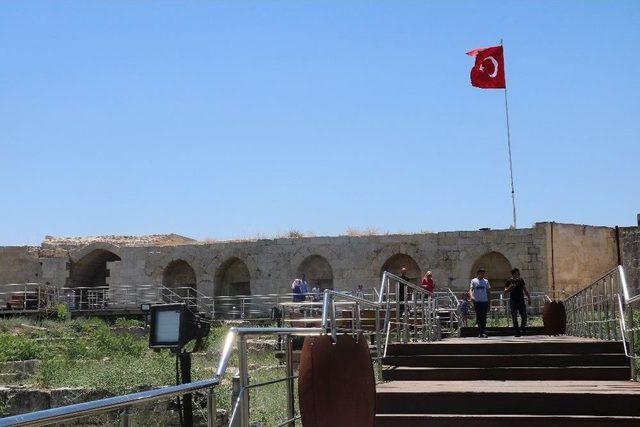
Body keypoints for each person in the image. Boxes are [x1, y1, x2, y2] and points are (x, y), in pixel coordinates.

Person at [504, 268, 531, 336]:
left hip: (521, 300)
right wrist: (510, 287)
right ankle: (517, 331)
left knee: (524, 316)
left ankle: (522, 327)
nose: (518, 275)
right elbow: (505, 291)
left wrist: (529, 298)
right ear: (513, 274)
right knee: (514, 316)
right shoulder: (509, 281)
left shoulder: (521, 280)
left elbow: (525, 289)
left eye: (519, 274)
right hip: (513, 301)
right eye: (517, 273)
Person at [469, 268, 491, 338]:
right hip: (477, 301)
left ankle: (483, 332)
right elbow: (471, 289)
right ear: (478, 273)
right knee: (478, 317)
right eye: (482, 273)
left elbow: (488, 292)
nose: (483, 274)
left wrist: (489, 303)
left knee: (484, 317)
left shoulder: (486, 281)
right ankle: (480, 332)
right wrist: (471, 296)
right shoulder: (474, 281)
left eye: (484, 273)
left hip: (484, 301)